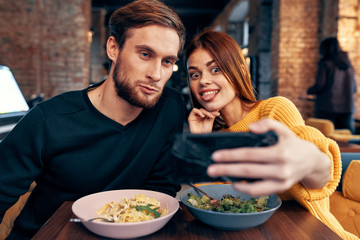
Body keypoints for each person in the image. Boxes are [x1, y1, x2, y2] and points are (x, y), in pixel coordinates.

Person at [0, 0, 186, 239]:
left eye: (167, 61)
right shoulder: (49, 119)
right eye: (145, 54)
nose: (157, 74)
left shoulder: (169, 106)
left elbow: (161, 188)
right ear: (113, 48)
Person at [184, 30, 357, 239]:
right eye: (195, 74)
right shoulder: (218, 135)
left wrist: (311, 162)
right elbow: (215, 205)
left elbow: (320, 172)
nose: (203, 81)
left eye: (215, 69)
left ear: (240, 70)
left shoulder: (274, 111)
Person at [307, 37, 357, 133]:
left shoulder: (325, 64)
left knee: (323, 139)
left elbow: (320, 85)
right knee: (348, 142)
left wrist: (309, 91)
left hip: (327, 108)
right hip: (347, 108)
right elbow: (354, 89)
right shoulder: (348, 65)